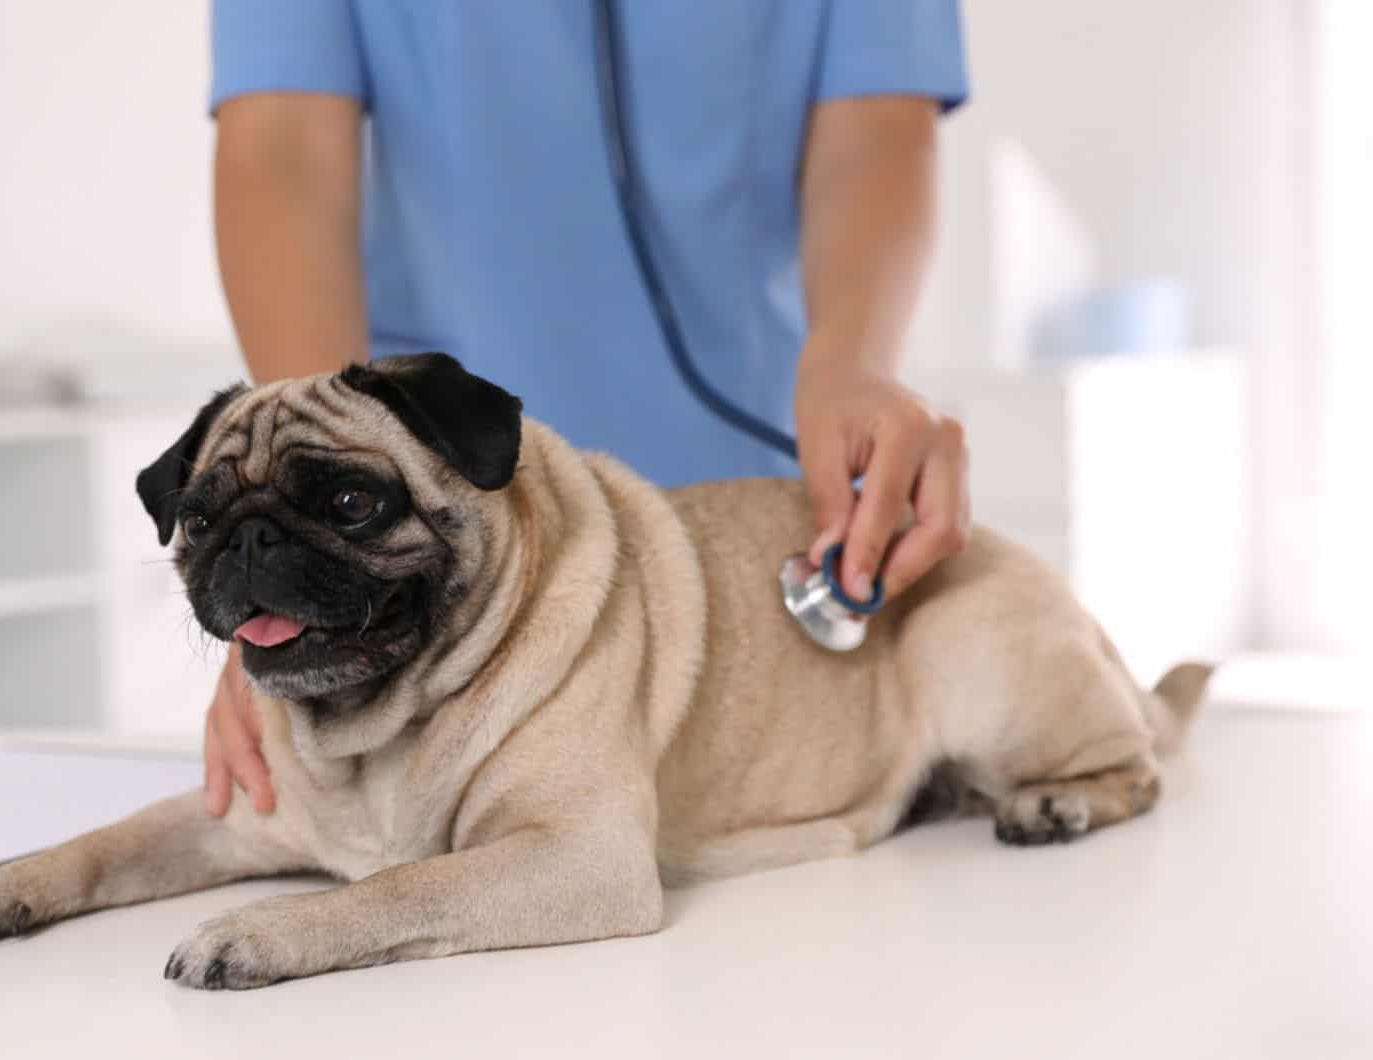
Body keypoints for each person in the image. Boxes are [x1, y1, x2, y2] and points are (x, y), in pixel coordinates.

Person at [202, 0, 972, 816]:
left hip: (749, 527)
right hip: (439, 550)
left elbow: (879, 119)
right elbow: (280, 141)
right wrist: (313, 529)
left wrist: (854, 363)